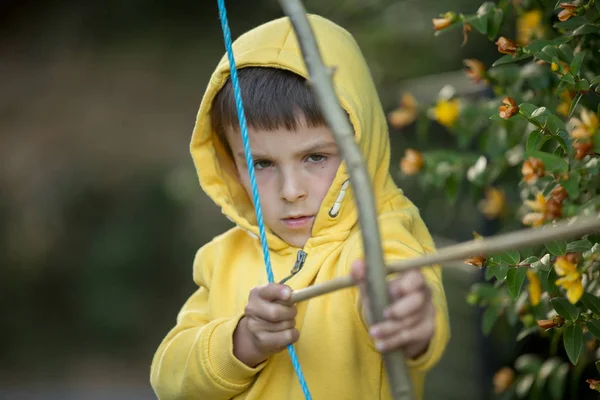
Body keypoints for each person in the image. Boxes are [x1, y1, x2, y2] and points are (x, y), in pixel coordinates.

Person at [150, 14, 449, 400]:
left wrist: (404, 316)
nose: (291, 191)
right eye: (262, 164)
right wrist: (242, 341)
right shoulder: (223, 257)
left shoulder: (383, 233)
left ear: (361, 142)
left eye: (315, 158)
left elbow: (403, 290)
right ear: (230, 161)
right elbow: (168, 379)